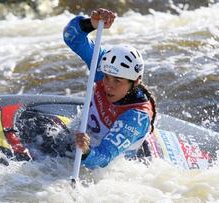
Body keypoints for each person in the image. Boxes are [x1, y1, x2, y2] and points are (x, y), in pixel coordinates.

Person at [63, 8, 157, 169]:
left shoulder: (135, 117)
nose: (108, 85)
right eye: (106, 77)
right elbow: (71, 36)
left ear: (135, 82)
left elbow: (103, 158)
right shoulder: (103, 67)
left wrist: (85, 151)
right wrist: (91, 23)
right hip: (82, 137)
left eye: (117, 81)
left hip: (107, 165)